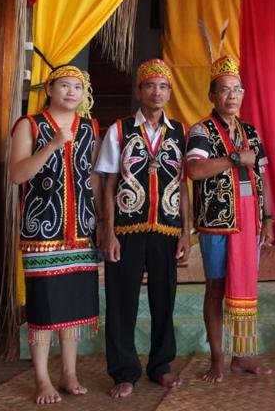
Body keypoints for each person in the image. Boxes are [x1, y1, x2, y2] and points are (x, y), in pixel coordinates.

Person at [96, 58, 191, 398]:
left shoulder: (180, 132)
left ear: (170, 92)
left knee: (164, 300)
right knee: (121, 302)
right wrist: (108, 231)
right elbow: (108, 183)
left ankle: (160, 366)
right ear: (139, 91)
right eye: (150, 85)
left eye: (163, 86)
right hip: (127, 230)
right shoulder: (119, 130)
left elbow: (183, 185)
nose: (157, 92)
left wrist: (186, 232)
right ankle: (124, 372)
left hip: (166, 230)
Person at [9, 65, 101, 405]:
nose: (71, 92)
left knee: (72, 304)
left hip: (81, 230)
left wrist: (100, 221)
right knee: (45, 306)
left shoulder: (89, 127)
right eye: (64, 85)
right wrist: (51, 145)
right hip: (41, 231)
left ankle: (69, 372)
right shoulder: (30, 124)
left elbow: (92, 177)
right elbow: (17, 174)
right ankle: (41, 378)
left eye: (77, 86)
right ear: (49, 89)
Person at [186, 56, 275, 383]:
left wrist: (268, 217)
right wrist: (235, 158)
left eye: (237, 89)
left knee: (245, 285)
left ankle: (243, 356)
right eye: (224, 90)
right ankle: (217, 359)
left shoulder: (250, 131)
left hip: (250, 221)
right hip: (217, 223)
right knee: (216, 288)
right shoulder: (201, 130)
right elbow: (194, 170)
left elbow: (262, 175)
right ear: (212, 96)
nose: (232, 95)